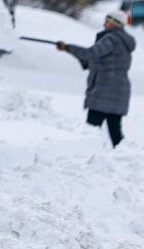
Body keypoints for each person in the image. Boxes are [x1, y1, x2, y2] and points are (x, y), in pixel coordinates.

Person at [56, 10, 136, 148]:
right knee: (115, 130)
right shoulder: (123, 41)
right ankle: (125, 155)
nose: (104, 24)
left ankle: (87, 153)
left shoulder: (111, 38)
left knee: (92, 128)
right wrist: (88, 62)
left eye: (107, 21)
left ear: (114, 23)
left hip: (105, 89)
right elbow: (106, 60)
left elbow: (91, 53)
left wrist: (67, 48)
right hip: (120, 89)